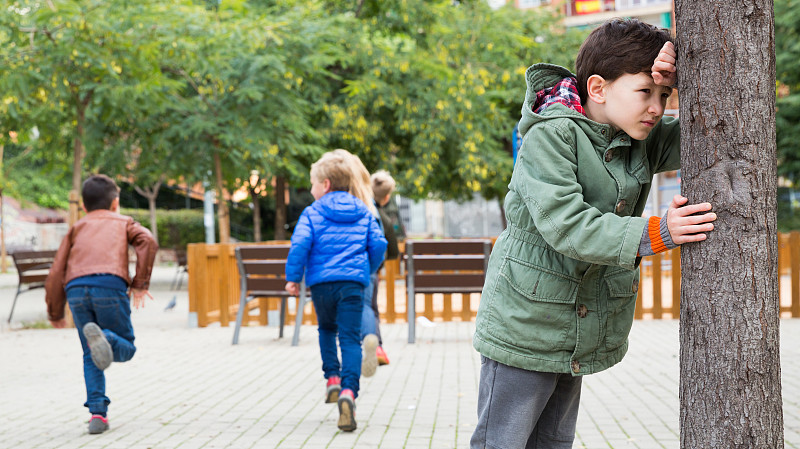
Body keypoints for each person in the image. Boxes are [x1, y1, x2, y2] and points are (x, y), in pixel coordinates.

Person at [471, 18, 717, 448]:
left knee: (553, 443)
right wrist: (660, 231)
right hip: (525, 323)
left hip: (575, 334)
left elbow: (712, 131)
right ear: (598, 88)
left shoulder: (639, 135)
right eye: (645, 92)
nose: (658, 108)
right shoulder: (552, 135)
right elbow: (569, 227)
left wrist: (694, 76)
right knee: (502, 442)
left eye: (666, 95)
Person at [45, 174, 158, 435]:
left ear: (84, 206)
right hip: (109, 285)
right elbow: (147, 240)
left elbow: (56, 271)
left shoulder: (77, 227)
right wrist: (140, 283)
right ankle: (106, 338)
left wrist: (54, 310)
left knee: (89, 352)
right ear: (115, 203)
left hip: (75, 289)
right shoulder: (124, 222)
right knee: (126, 348)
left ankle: (98, 414)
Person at [285, 149, 387, 432]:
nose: (311, 188)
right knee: (350, 339)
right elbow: (379, 245)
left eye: (313, 183)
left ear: (326, 184)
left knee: (327, 330)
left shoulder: (312, 212)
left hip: (321, 285)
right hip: (353, 284)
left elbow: (300, 244)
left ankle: (332, 378)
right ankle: (348, 393)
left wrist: (293, 277)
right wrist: (367, 269)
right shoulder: (363, 210)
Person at [368, 170, 400, 366]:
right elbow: (393, 251)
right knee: (371, 308)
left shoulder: (360, 207)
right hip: (371, 270)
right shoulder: (383, 219)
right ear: (387, 197)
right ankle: (377, 346)